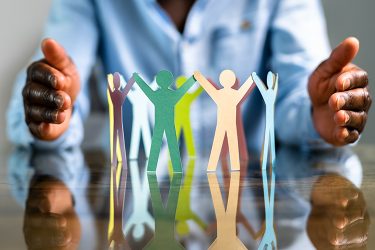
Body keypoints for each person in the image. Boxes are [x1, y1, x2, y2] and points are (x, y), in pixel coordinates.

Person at [7, 0, 372, 150]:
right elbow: (56, 85)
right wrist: (52, 107)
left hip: (255, 199)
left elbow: (298, 94)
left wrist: (318, 113)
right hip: (134, 194)